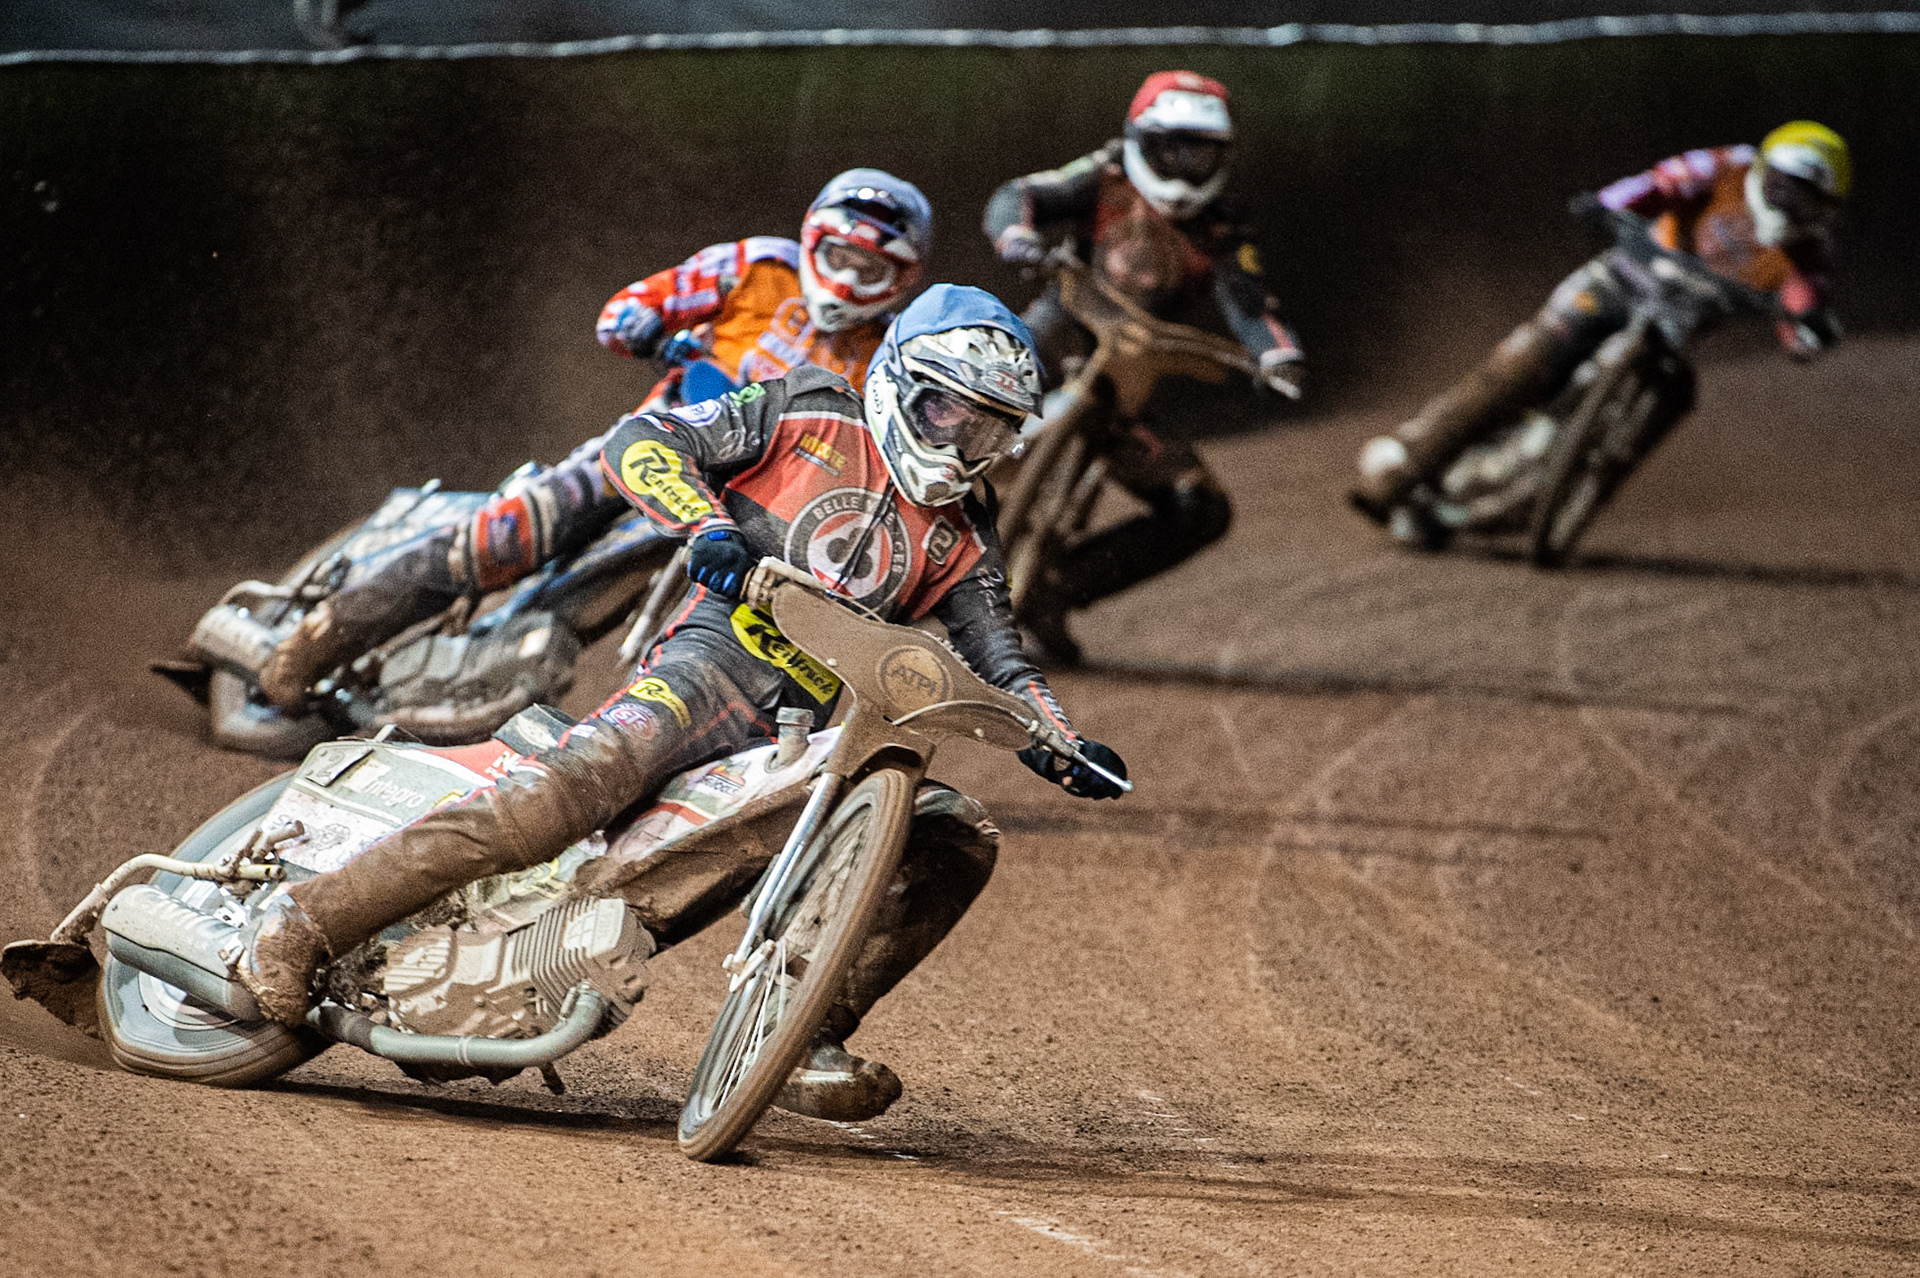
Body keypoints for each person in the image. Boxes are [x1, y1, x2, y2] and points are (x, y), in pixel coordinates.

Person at [236, 284, 1130, 1123]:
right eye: (946, 412)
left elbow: (1004, 661)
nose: (958, 443)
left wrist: (1058, 741)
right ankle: (306, 920)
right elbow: (644, 440)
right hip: (709, 668)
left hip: (818, 736)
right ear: (898, 380)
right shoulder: (809, 410)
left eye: (987, 430)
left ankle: (806, 1032)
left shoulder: (969, 535)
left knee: (956, 837)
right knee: (568, 791)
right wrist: (705, 525)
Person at [255, 169, 933, 708]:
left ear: (901, 279)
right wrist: (644, 327)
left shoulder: (888, 359)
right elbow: (623, 308)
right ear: (812, 239)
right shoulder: (755, 267)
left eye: (869, 270)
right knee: (507, 537)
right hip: (642, 452)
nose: (845, 280)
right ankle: (313, 643)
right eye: (838, 256)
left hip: (735, 508)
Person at [1351, 121, 1850, 536]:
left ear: (1824, 210)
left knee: (1675, 395)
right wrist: (1611, 205)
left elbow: (1801, 305)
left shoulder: (1813, 250)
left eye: (1805, 200)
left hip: (1672, 327)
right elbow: (1661, 183)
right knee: (1526, 361)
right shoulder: (1724, 166)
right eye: (1783, 188)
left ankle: (1556, 490)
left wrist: (1806, 332)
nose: (1788, 205)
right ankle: (1408, 461)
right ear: (1763, 171)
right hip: (1621, 279)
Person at [981, 69, 1306, 664]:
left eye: (1199, 154)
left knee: (1199, 505)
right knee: (961, 403)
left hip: (1125, 380)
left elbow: (1250, 303)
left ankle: (1053, 591)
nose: (1183, 168)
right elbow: (1018, 195)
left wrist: (1278, 357)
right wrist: (1018, 238)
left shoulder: (1224, 226)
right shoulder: (1103, 173)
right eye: (1170, 149)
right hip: (1053, 339)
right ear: (1138, 140)